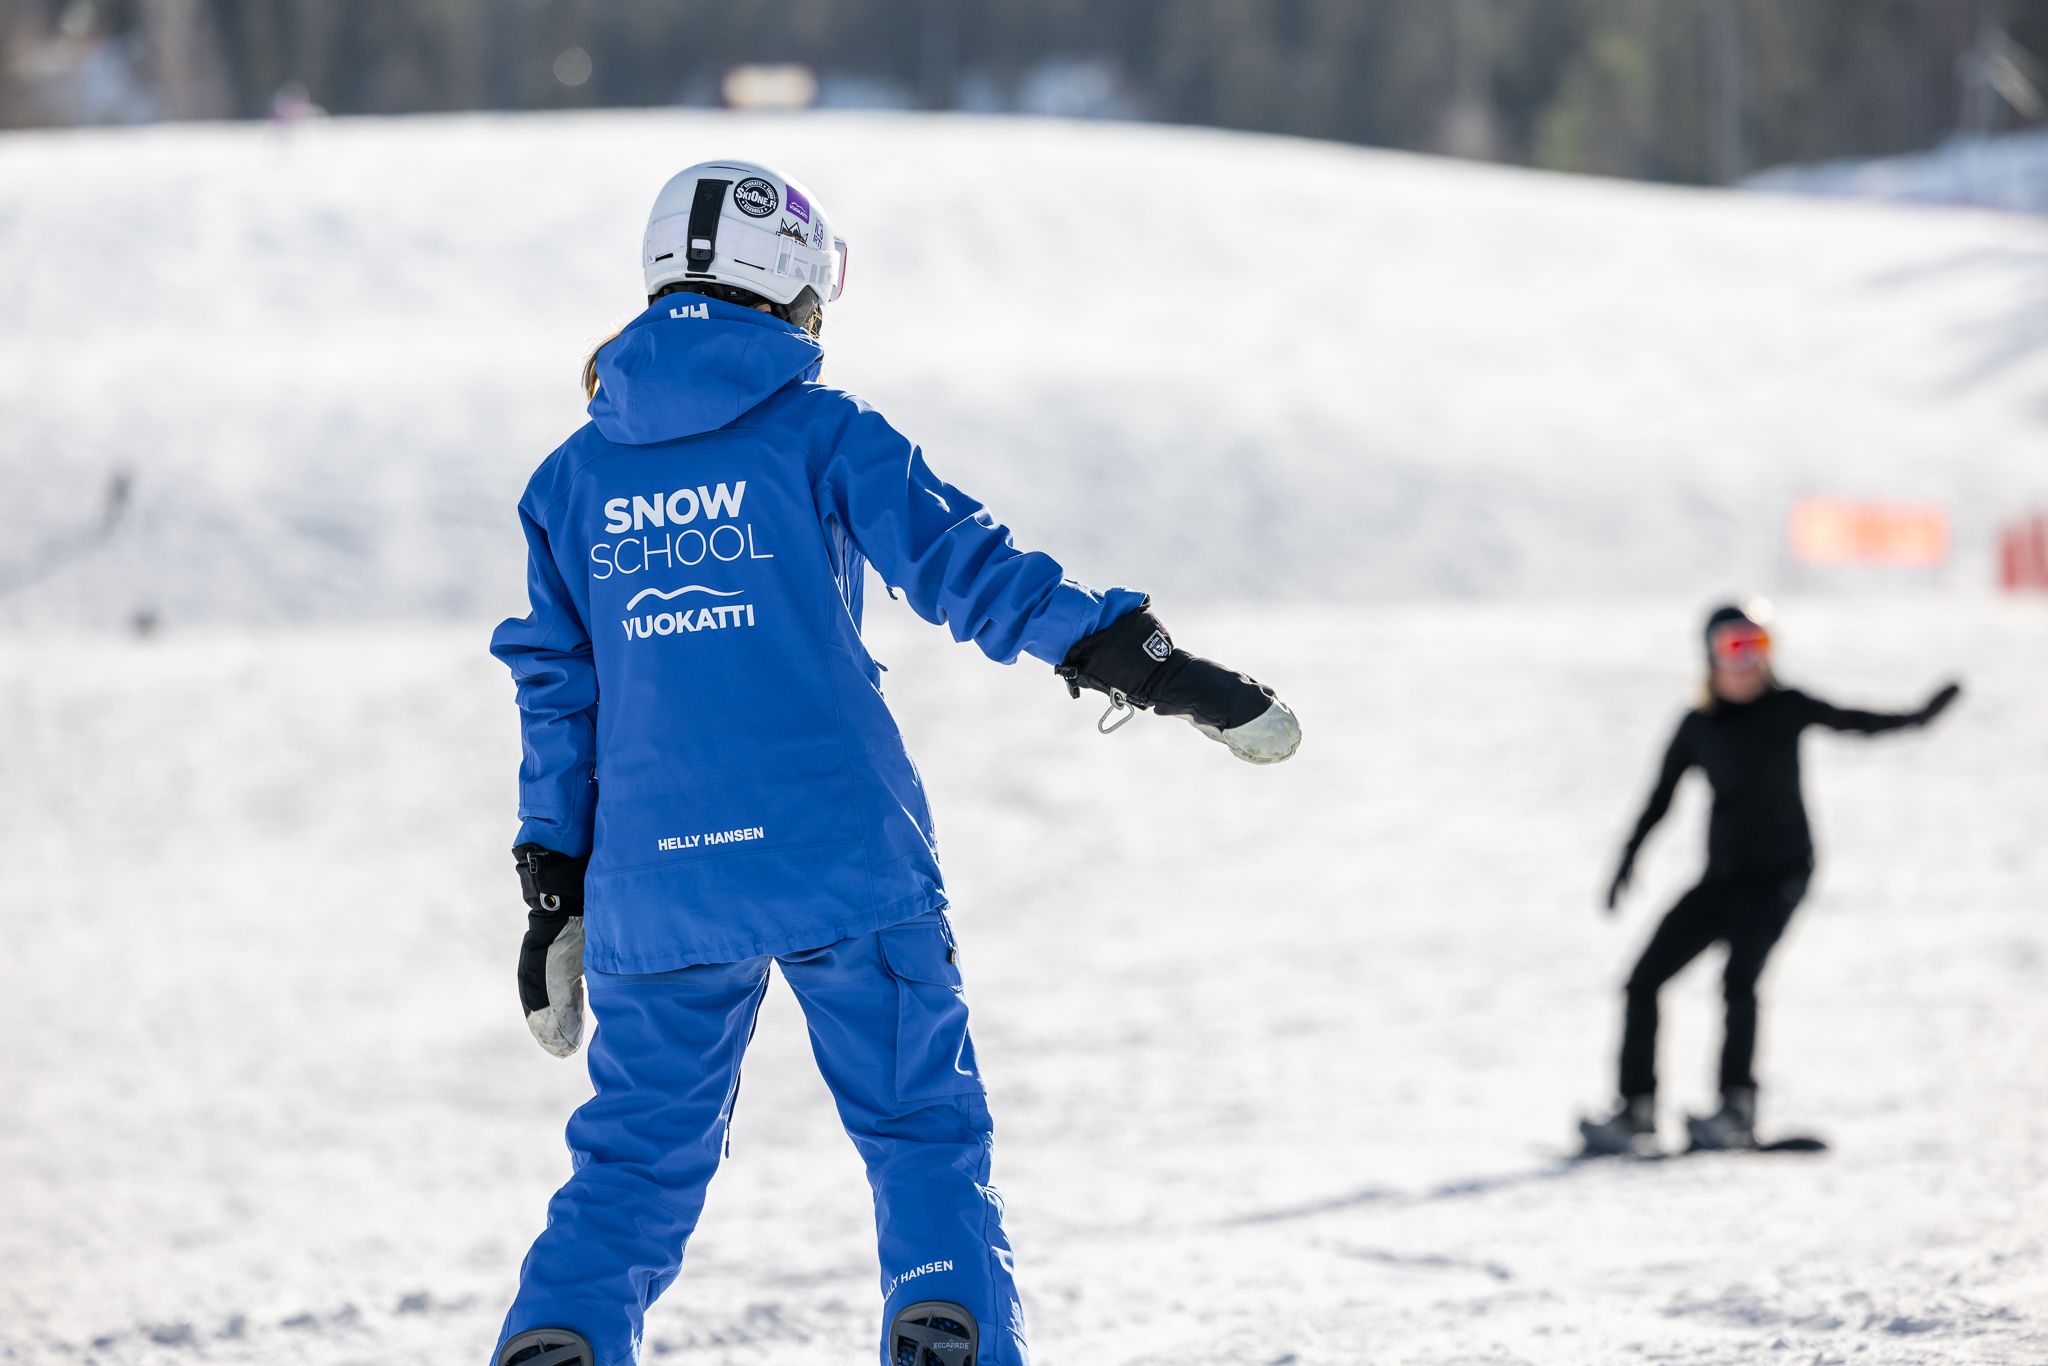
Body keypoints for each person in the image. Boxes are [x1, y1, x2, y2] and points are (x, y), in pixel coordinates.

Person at [486, 160, 1301, 1366]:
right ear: (787, 278)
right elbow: (969, 569)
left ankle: (558, 1341)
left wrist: (554, 883)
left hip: (659, 882)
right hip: (838, 856)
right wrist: (1143, 663)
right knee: (920, 1133)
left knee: (632, 1164)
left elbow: (557, 697)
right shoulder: (821, 431)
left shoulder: (569, 480)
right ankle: (945, 1329)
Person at [1580, 602, 1959, 1156]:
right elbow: (1659, 800)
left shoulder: (1787, 708)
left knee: (1738, 980)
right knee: (1643, 982)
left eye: (1757, 646)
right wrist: (1627, 858)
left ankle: (1736, 1109)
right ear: (1710, 656)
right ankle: (1635, 1112)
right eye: (1734, 647)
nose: (1747, 662)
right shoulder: (1698, 726)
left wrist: (1918, 718)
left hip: (1780, 876)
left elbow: (1855, 721)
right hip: (1721, 881)